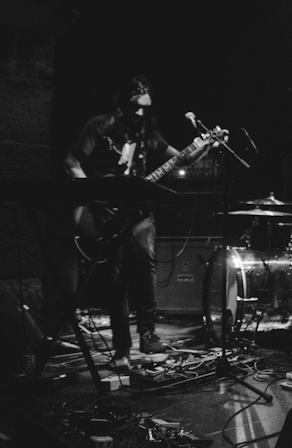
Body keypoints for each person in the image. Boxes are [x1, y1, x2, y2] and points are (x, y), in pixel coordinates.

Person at [64, 74, 212, 371]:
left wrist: (205, 145)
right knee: (116, 276)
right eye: (135, 106)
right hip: (104, 209)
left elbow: (181, 160)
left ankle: (148, 336)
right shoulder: (99, 126)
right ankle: (121, 347)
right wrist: (94, 197)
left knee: (145, 265)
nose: (141, 113)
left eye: (146, 107)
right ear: (121, 103)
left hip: (139, 212)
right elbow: (71, 163)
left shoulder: (148, 132)